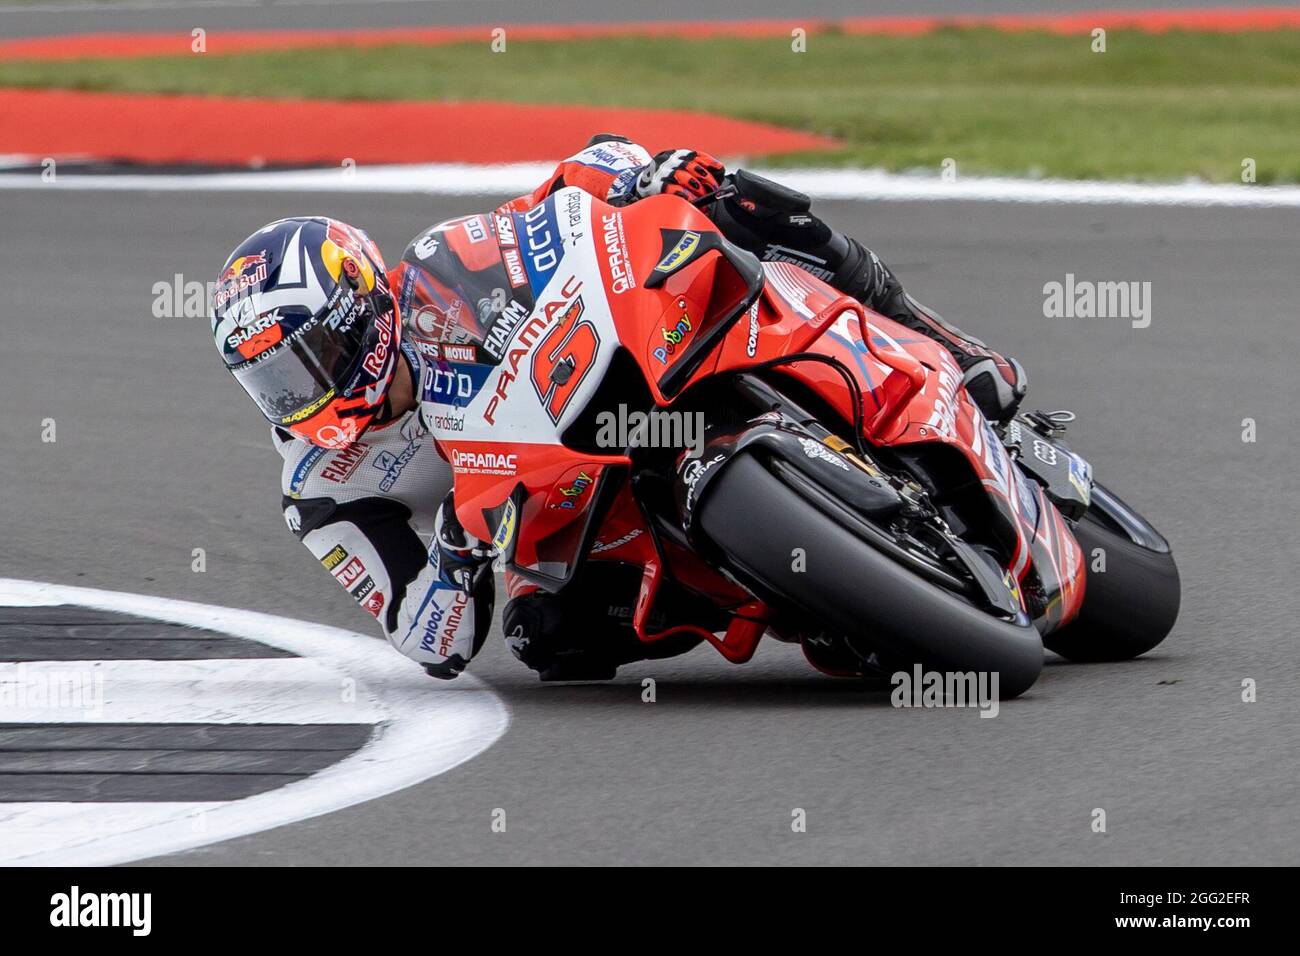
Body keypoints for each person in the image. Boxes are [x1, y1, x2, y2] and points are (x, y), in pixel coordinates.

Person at [208, 135, 1026, 681]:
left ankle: (937, 339)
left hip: (597, 374)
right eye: (271, 382)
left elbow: (549, 202)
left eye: (304, 360)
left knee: (735, 202)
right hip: (548, 504)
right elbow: (430, 642)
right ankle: (803, 598)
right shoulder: (322, 490)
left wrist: (637, 176)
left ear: (361, 311)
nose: (299, 396)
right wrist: (458, 549)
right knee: (549, 641)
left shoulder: (433, 271)